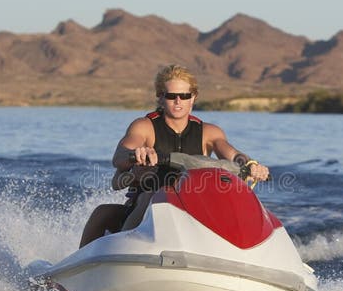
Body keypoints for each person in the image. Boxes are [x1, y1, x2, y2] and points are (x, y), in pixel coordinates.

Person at [79, 64, 270, 246]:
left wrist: (251, 164)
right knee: (104, 212)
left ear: (193, 97)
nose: (178, 101)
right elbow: (119, 156)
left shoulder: (210, 132)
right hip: (145, 209)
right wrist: (136, 153)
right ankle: (119, 252)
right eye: (171, 96)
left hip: (196, 209)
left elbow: (233, 154)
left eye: (184, 95)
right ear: (160, 97)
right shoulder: (144, 127)